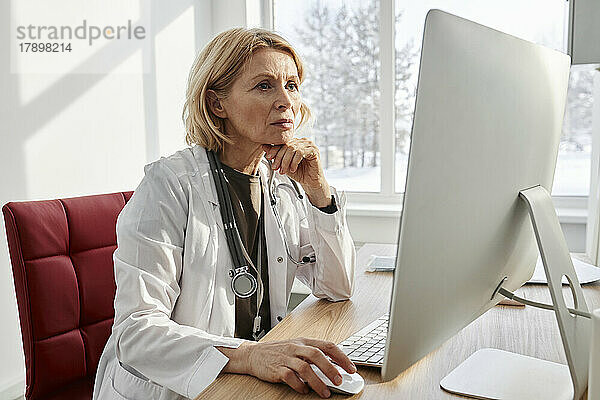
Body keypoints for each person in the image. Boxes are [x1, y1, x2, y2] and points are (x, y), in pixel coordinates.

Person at [92, 27, 356, 400]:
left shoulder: (280, 182)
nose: (286, 101)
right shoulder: (167, 185)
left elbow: (337, 287)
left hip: (249, 381)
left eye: (292, 85)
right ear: (218, 104)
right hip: (174, 389)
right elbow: (135, 334)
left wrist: (319, 193)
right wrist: (249, 355)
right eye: (265, 86)